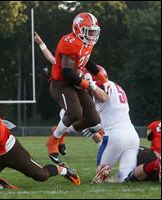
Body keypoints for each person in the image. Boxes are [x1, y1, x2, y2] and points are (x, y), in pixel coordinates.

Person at [34, 12, 110, 164]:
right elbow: (67, 72)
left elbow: (87, 61)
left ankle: (61, 132)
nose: (92, 35)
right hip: (61, 84)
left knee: (93, 119)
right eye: (89, 31)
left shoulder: (86, 42)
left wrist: (101, 77)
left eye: (94, 31)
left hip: (76, 82)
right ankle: (53, 140)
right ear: (78, 29)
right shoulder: (69, 42)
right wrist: (87, 84)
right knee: (75, 113)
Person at [81, 66, 140, 183]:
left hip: (114, 136)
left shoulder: (100, 86)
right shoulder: (118, 87)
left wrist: (91, 85)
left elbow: (102, 98)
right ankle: (121, 176)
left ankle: (103, 171)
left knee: (99, 173)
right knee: (125, 177)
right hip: (132, 136)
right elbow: (112, 112)